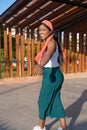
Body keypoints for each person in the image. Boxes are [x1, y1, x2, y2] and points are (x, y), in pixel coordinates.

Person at [33, 20, 67, 130]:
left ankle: (41, 127)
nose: (41, 32)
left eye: (43, 30)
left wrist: (40, 65)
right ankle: (64, 128)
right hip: (55, 74)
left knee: (42, 100)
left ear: (50, 31)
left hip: (52, 76)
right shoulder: (49, 42)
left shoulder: (51, 43)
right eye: (39, 30)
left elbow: (49, 54)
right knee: (56, 101)